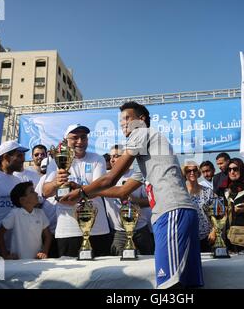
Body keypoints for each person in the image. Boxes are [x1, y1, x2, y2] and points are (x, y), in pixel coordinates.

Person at [59, 102, 203, 289]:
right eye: (120, 120)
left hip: (172, 212)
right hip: (178, 212)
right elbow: (122, 191)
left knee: (170, 285)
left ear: (141, 120)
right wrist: (83, 191)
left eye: (127, 118)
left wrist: (81, 192)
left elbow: (111, 178)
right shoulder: (149, 154)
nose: (123, 124)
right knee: (188, 284)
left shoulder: (141, 133)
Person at [42, 124, 111, 258]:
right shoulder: (55, 161)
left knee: (102, 275)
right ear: (65, 140)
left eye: (83, 137)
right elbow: (45, 192)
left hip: (96, 228)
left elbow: (98, 189)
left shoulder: (97, 159)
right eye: (75, 138)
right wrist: (56, 183)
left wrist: (75, 190)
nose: (80, 141)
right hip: (68, 229)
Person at [104, 145, 154, 256]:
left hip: (140, 229)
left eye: (117, 156)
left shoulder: (138, 174)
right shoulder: (105, 178)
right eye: (111, 156)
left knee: (148, 262)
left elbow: (150, 201)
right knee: (118, 266)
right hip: (119, 231)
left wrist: (135, 200)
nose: (112, 159)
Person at [0, 181, 52, 259]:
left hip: (37, 261)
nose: (36, 193)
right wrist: (5, 255)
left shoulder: (40, 213)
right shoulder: (15, 214)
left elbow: (48, 235)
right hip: (18, 262)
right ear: (22, 200)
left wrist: (44, 252)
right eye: (32, 191)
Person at [182, 161, 213, 252]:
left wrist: (214, 231)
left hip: (206, 237)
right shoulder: (181, 192)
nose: (192, 173)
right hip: (186, 235)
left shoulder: (208, 191)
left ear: (198, 172)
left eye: (194, 170)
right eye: (188, 171)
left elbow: (217, 214)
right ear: (185, 173)